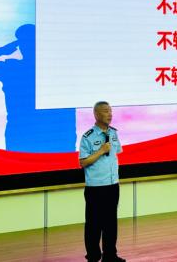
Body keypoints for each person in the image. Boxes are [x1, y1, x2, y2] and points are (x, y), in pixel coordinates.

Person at [0, 24, 76, 152]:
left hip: (49, 138)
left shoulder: (57, 69)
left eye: (29, 42)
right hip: (26, 137)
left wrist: (3, 50)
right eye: (23, 43)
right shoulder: (14, 69)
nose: (26, 46)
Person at [79, 101, 125, 262]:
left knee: (111, 223)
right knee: (94, 224)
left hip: (113, 185)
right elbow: (83, 162)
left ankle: (110, 255)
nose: (110, 114)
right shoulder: (88, 136)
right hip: (96, 187)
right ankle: (93, 256)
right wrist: (100, 151)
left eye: (110, 111)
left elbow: (115, 153)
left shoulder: (113, 133)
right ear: (96, 114)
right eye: (106, 111)